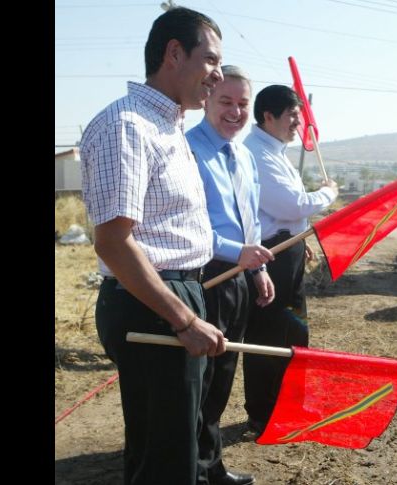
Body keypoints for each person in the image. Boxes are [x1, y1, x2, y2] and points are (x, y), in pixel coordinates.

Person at [79, 7, 226, 485]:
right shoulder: (127, 126)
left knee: (177, 448)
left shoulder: (167, 126)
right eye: (210, 60)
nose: (218, 75)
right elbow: (114, 243)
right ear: (174, 53)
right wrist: (182, 318)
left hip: (175, 295)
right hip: (152, 304)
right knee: (165, 462)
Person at [187, 65, 273, 485]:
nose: (236, 112)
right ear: (206, 99)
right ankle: (194, 471)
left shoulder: (244, 155)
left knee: (223, 376)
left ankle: (211, 466)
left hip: (239, 275)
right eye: (226, 101)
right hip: (204, 275)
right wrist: (237, 254)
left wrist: (256, 271)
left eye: (243, 104)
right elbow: (191, 226)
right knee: (199, 380)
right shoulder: (187, 150)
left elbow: (249, 219)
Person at [241, 85, 339, 437]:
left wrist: (300, 236)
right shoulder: (256, 154)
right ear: (268, 116)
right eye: (292, 116)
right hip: (270, 255)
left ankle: (292, 402)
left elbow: (290, 213)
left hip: (288, 249)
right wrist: (329, 192)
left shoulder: (276, 151)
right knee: (268, 335)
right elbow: (291, 204)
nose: (299, 123)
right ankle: (263, 413)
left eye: (299, 115)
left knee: (295, 330)